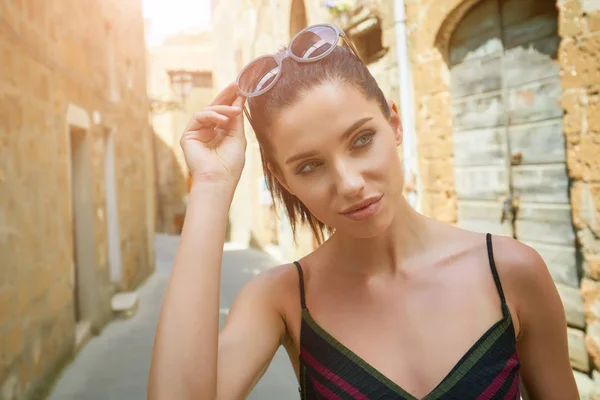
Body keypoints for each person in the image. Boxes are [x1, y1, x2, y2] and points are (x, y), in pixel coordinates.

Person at [148, 24, 578, 400]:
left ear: (394, 125)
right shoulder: (280, 299)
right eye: (310, 166)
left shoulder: (511, 272)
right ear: (282, 179)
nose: (350, 183)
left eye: (360, 140)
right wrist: (210, 185)